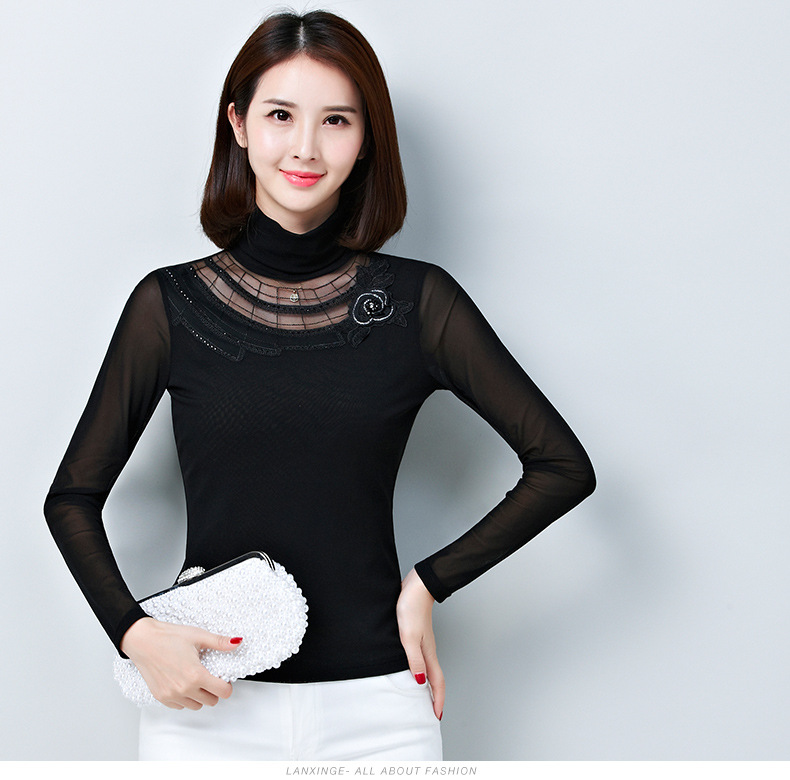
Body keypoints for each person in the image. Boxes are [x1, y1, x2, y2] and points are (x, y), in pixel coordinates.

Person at [44, 9, 596, 761]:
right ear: (239, 125)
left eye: (336, 120)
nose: (305, 146)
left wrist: (428, 584)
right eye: (281, 115)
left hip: (380, 711)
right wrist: (134, 632)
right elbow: (71, 497)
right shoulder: (168, 305)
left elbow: (563, 466)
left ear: (365, 140)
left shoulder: (417, 302)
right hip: (209, 710)